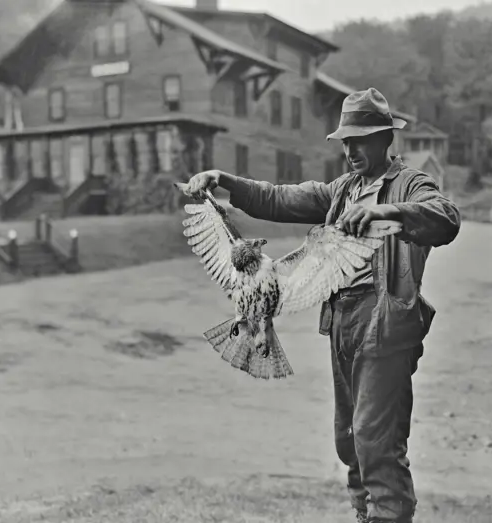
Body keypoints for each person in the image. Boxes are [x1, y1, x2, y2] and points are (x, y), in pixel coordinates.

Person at [180, 87, 461, 523]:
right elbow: (278, 198)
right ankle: (366, 515)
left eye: (361, 139)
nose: (351, 149)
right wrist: (225, 181)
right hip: (343, 322)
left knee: (374, 437)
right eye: (346, 141)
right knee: (348, 439)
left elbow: (445, 218)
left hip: (385, 323)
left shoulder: (409, 183)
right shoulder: (342, 191)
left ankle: (389, 515)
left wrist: (390, 214)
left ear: (386, 139)